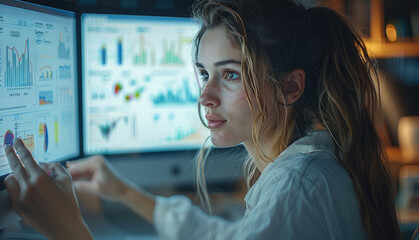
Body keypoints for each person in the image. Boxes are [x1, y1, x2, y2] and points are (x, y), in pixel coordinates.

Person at [3, 0, 401, 239]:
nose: (205, 96)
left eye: (230, 74)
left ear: (290, 88)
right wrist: (124, 192)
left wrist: (67, 229)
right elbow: (226, 236)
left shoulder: (296, 188)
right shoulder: (304, 170)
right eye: (203, 73)